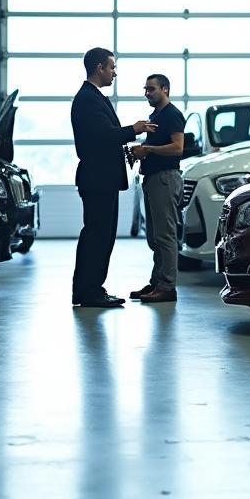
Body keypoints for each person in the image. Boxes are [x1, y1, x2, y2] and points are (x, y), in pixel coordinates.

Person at [70, 47, 156, 309]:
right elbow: (103, 136)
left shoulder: (95, 97)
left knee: (101, 235)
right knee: (98, 235)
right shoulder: (88, 99)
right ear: (99, 68)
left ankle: (92, 288)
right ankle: (89, 290)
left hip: (102, 178)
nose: (114, 73)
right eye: (112, 67)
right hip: (98, 179)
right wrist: (134, 130)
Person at [128, 74, 186, 304]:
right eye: (145, 89)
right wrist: (141, 150)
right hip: (153, 179)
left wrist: (149, 150)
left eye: (151, 89)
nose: (147, 93)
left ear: (165, 89)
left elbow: (177, 148)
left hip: (165, 179)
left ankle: (167, 287)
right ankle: (157, 282)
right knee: (154, 236)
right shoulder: (156, 116)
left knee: (165, 235)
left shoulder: (172, 115)